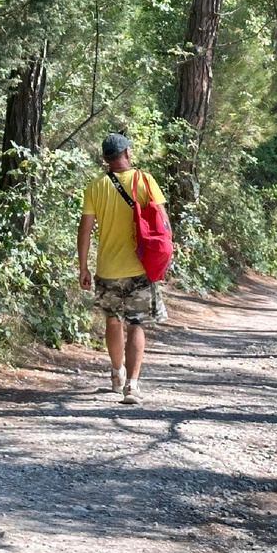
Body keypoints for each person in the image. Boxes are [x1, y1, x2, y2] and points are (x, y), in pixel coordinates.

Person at [77, 132, 169, 405]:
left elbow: (85, 229)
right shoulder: (145, 180)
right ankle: (133, 385)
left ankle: (117, 375)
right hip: (140, 267)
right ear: (127, 153)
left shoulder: (96, 186)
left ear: (105, 158)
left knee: (113, 321)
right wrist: (162, 260)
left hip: (107, 268)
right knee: (136, 323)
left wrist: (83, 267)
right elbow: (164, 224)